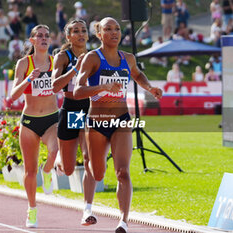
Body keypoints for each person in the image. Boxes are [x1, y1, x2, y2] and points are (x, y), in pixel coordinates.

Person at [73, 17, 163, 233]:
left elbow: (137, 74)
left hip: (121, 120)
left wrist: (150, 88)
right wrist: (102, 87)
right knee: (97, 172)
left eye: (117, 29)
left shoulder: (128, 58)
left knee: (123, 172)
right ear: (99, 34)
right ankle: (87, 208)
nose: (114, 32)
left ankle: (123, 221)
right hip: (96, 122)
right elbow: (77, 91)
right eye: (108, 29)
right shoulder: (92, 58)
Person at [10, 24, 58, 228]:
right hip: (29, 122)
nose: (44, 39)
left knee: (54, 151)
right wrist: (29, 79)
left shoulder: (57, 62)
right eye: (39, 36)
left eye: (47, 35)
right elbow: (12, 96)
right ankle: (32, 209)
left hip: (51, 118)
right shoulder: (24, 63)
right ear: (32, 41)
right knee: (29, 171)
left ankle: (47, 171)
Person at [51, 19, 97, 226]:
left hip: (91, 108)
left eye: (83, 31)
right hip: (72, 108)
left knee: (89, 159)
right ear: (68, 36)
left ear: (88, 35)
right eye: (75, 31)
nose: (80, 34)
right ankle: (60, 157)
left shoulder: (96, 56)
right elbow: (54, 86)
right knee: (68, 169)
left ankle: (87, 210)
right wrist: (75, 70)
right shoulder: (63, 56)